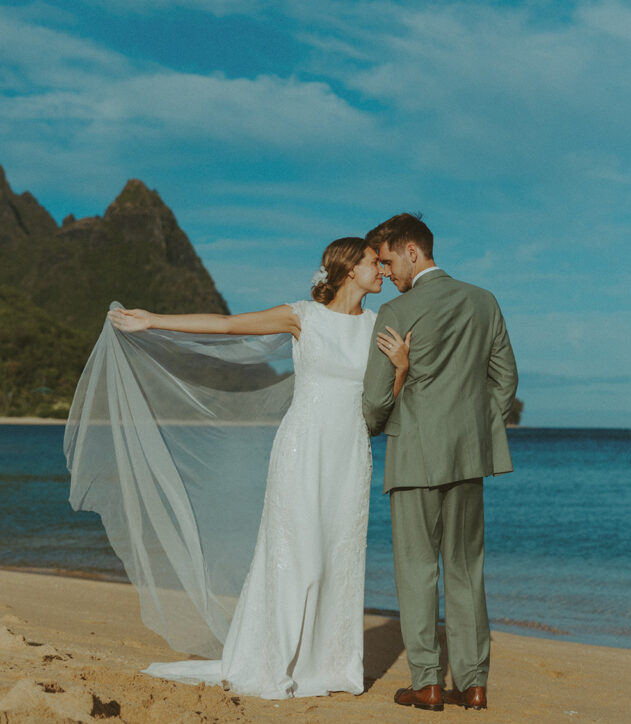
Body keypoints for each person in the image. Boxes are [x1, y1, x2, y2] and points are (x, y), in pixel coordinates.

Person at [103, 237, 411, 700]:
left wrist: (402, 367)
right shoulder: (301, 316)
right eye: (373, 263)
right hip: (302, 447)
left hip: (350, 453)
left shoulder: (376, 326)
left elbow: (387, 397)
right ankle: (273, 660)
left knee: (338, 558)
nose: (382, 271)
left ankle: (328, 666)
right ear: (349, 269)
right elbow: (228, 326)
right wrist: (154, 320)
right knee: (297, 553)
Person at [362, 214, 518, 713]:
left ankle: (427, 681)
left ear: (412, 250)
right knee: (467, 571)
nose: (386, 272)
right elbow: (506, 383)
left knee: (416, 571)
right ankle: (474, 685)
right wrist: (472, 428)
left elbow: (371, 403)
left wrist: (394, 403)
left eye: (387, 260)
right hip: (468, 457)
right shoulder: (484, 301)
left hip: (412, 455)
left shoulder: (395, 311)